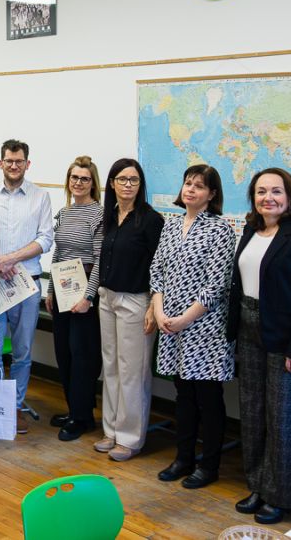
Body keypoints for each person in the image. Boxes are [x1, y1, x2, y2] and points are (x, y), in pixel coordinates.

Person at [229, 168, 291, 524]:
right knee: (253, 413)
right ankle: (258, 485)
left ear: (290, 196)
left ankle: (281, 497)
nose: (267, 197)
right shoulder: (250, 231)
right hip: (249, 330)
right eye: (261, 191)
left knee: (284, 420)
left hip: (287, 338)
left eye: (276, 191)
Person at [151, 164, 236, 489]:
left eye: (199, 186)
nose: (190, 190)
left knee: (208, 398)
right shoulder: (171, 224)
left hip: (205, 328)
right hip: (170, 324)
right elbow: (157, 271)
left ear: (212, 194)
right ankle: (183, 458)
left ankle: (209, 466)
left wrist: (185, 319)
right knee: (183, 395)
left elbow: (216, 285)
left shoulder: (220, 230)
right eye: (188, 183)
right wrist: (159, 311)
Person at [0, 139, 53, 435]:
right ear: (0, 163)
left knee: (22, 352)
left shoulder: (40, 197)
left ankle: (16, 407)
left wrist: (11, 258)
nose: (14, 165)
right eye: (9, 161)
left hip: (27, 285)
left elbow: (45, 239)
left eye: (19, 161)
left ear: (27, 164)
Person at [95, 158, 164, 461]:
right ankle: (111, 430)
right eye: (122, 179)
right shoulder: (110, 216)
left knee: (132, 371)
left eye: (133, 180)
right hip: (107, 298)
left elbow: (161, 267)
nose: (127, 185)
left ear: (140, 184)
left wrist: (152, 306)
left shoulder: (150, 220)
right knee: (110, 366)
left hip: (136, 301)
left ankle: (130, 438)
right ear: (112, 183)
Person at [44, 156, 103, 442]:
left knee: (83, 355)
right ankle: (74, 410)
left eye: (84, 178)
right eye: (74, 177)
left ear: (93, 183)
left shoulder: (99, 214)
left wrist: (89, 296)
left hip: (84, 288)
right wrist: (50, 290)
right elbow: (58, 252)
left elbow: (100, 259)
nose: (78, 182)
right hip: (62, 286)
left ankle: (81, 417)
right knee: (64, 353)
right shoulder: (65, 212)